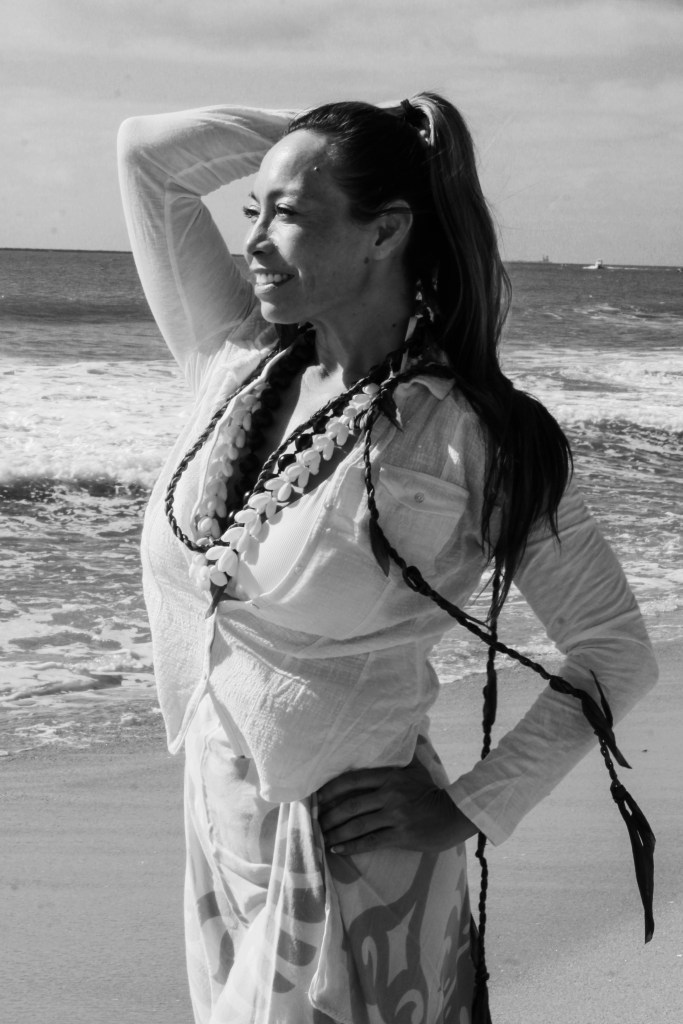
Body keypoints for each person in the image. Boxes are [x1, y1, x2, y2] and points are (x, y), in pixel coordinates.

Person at [117, 94, 657, 1024]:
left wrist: (474, 806)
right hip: (221, 834)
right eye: (252, 209)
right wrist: (332, 138)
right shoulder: (238, 363)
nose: (253, 241)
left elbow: (614, 649)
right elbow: (146, 158)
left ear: (387, 231)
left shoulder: (468, 437)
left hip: (353, 860)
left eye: (289, 214)